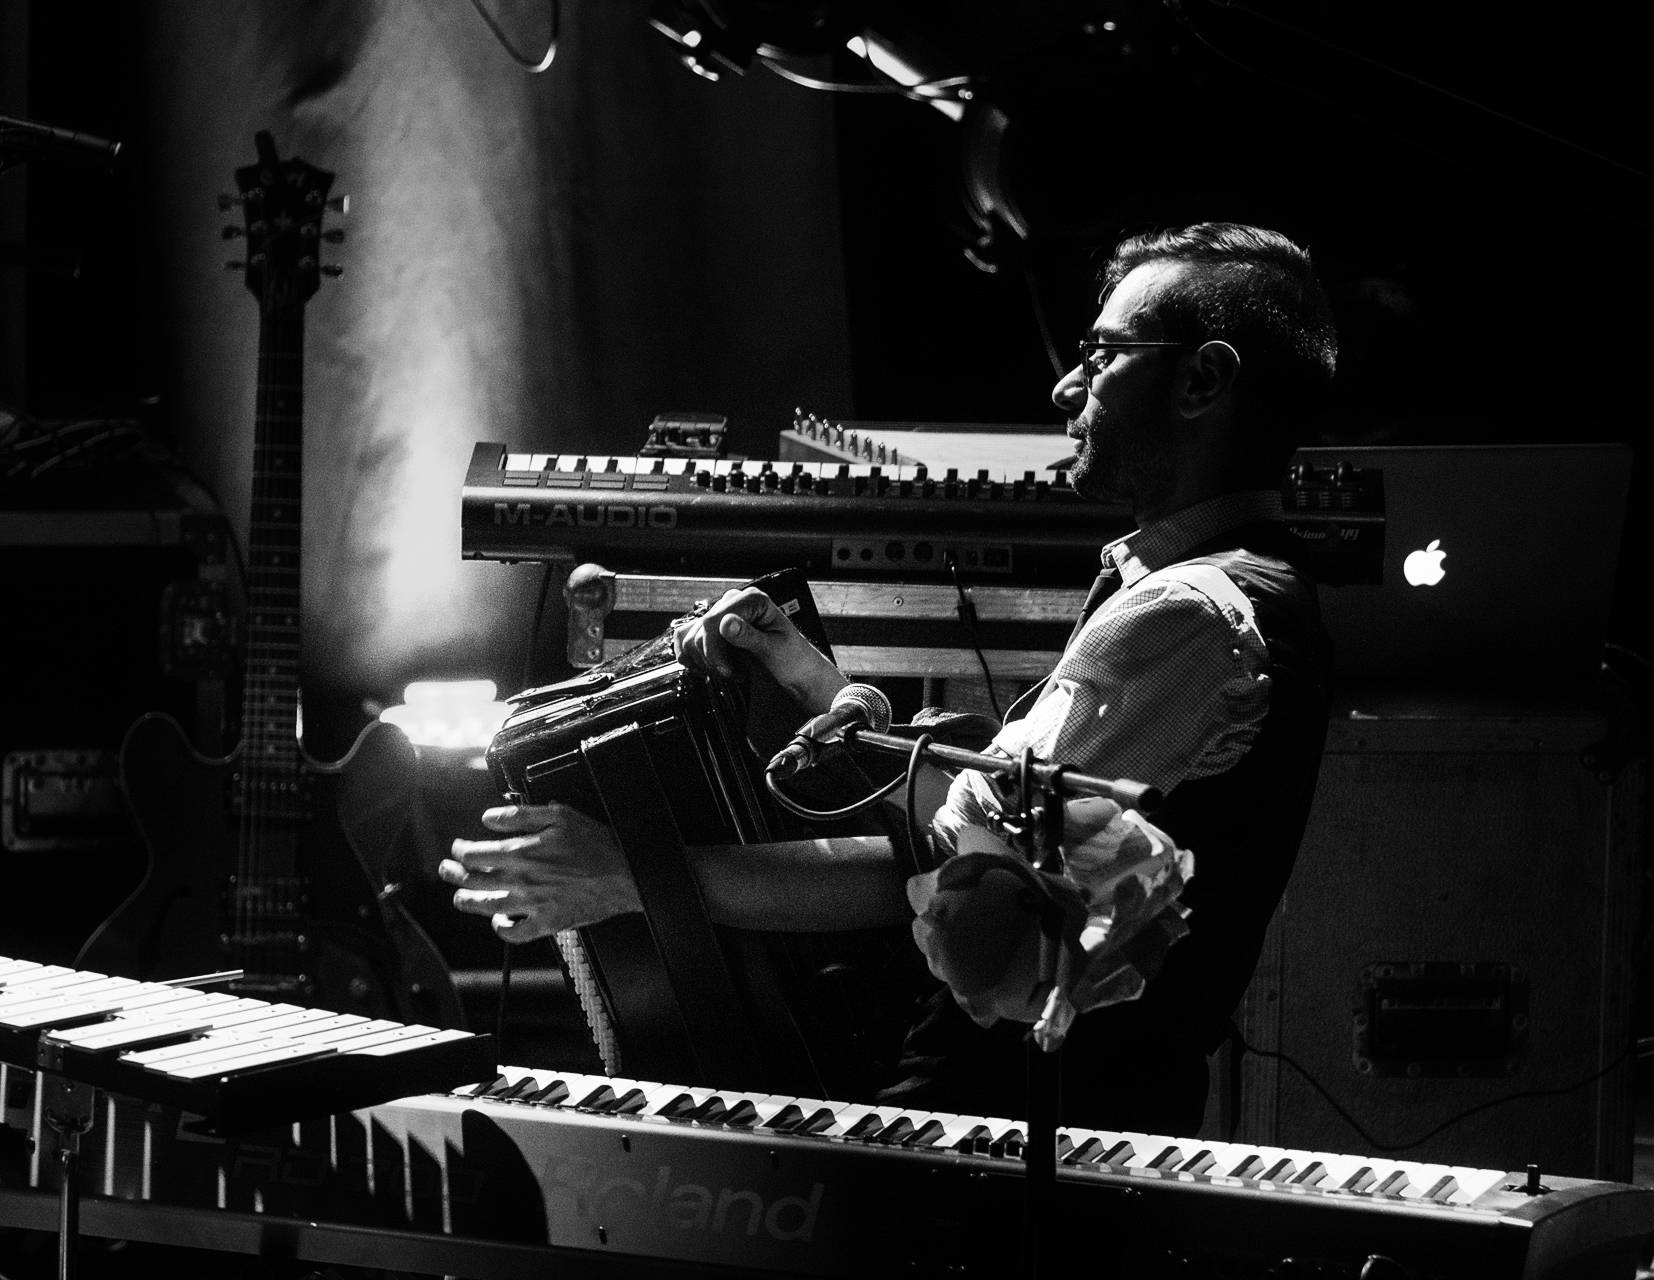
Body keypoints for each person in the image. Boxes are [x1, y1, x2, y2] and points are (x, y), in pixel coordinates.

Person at [441, 220, 1338, 1138]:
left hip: (1005, 1134)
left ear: (1202, 382)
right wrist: (812, 682)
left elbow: (939, 866)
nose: (1068, 386)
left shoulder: (1188, 614)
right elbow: (983, 817)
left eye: (1104, 355)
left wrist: (632, 877)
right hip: (1053, 1116)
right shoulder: (1233, 592)